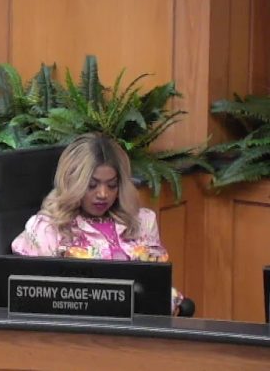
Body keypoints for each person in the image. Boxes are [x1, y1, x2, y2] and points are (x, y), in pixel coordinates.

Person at [11, 132, 185, 313]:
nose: (103, 194)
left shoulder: (142, 221)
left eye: (112, 185)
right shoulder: (48, 228)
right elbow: (28, 296)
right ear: (72, 183)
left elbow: (156, 285)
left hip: (137, 324)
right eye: (92, 185)